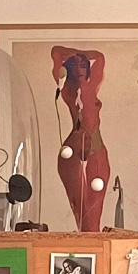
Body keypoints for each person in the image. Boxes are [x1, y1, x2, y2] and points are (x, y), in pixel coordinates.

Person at [51, 47, 111, 232]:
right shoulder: (67, 90)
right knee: (80, 204)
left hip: (96, 148)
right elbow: (55, 52)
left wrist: (80, 55)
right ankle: (85, 242)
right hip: (73, 151)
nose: (79, 68)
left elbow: (99, 56)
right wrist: (73, 57)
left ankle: (93, 243)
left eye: (83, 64)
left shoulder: (93, 85)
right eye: (75, 65)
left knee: (95, 205)